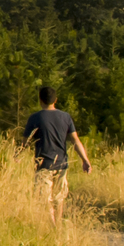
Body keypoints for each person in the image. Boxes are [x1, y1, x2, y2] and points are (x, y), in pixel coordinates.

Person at [20, 84, 91, 225]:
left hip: (43, 165)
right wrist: (85, 160)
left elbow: (25, 143)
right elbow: (75, 140)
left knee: (44, 200)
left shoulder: (35, 118)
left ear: (40, 100)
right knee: (59, 199)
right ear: (55, 100)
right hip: (62, 164)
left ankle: (52, 227)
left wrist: (18, 155)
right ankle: (57, 228)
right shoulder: (66, 117)